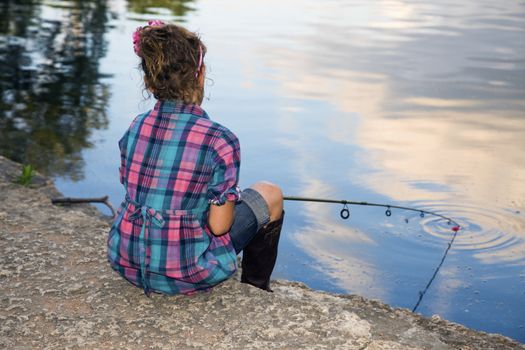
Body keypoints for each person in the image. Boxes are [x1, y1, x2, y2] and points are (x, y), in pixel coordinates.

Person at [107, 20, 285, 296]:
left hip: (129, 261)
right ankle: (257, 290)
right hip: (187, 273)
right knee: (270, 193)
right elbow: (219, 225)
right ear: (200, 75)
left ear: (149, 81)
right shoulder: (220, 140)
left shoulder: (135, 126)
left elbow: (136, 189)